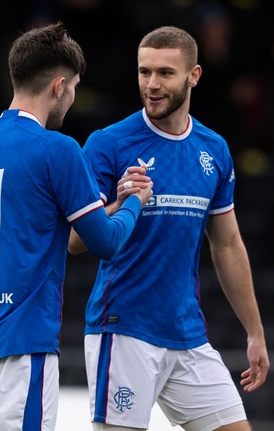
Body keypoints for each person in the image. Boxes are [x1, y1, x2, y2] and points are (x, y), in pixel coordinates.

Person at [0, 21, 152, 431]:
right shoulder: (59, 149)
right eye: (76, 87)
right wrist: (134, 202)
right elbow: (107, 243)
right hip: (23, 348)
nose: (73, 96)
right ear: (60, 85)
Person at [68, 26, 270, 431]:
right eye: (144, 72)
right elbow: (75, 241)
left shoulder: (213, 149)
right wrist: (121, 204)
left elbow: (228, 244)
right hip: (123, 331)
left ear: (193, 76)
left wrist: (254, 332)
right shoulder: (108, 143)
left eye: (165, 73)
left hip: (188, 335)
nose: (152, 85)